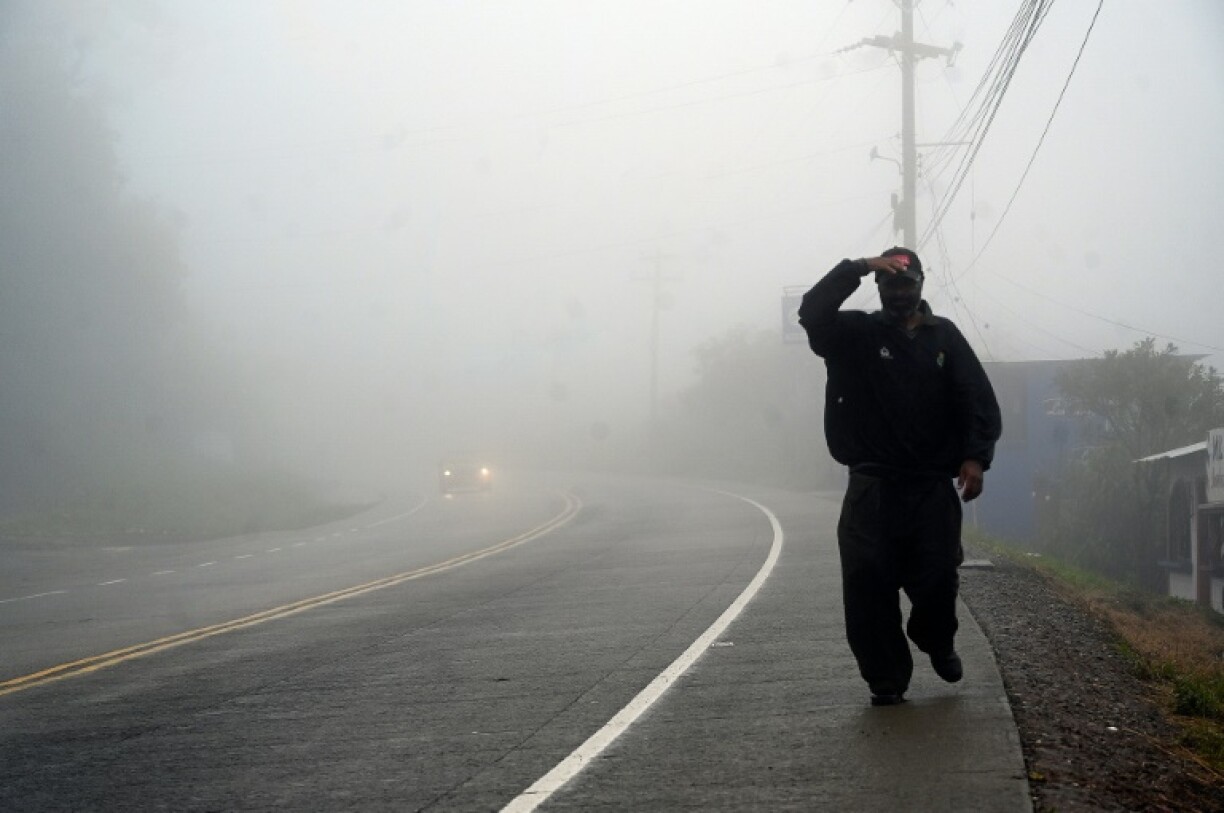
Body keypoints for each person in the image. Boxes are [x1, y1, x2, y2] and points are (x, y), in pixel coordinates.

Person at [797, 247, 1002, 707]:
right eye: (890, 283)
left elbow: (976, 399)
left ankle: (936, 639)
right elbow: (812, 310)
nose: (900, 292)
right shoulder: (853, 335)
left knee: (936, 580)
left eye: (908, 283)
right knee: (868, 582)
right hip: (872, 486)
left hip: (931, 486)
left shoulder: (944, 337)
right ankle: (886, 678)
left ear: (922, 286)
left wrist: (976, 458)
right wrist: (860, 266)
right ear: (880, 287)